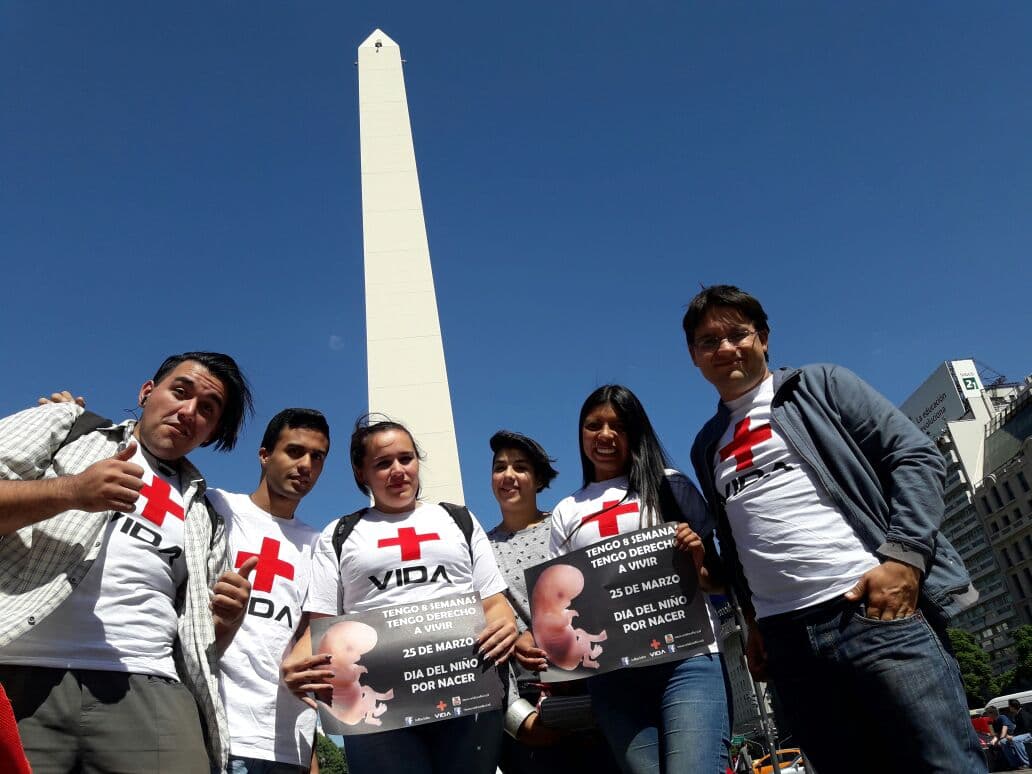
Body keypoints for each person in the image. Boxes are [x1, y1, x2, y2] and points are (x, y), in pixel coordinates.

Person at [683, 285, 986, 773]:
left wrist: (905, 557)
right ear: (694, 356)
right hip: (788, 643)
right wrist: (754, 623)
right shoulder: (706, 445)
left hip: (872, 611)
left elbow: (914, 455)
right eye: (707, 341)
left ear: (762, 338)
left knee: (943, 764)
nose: (724, 348)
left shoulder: (820, 385)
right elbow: (737, 545)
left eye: (737, 333)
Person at [0, 351, 256, 772]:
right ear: (146, 392)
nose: (188, 411)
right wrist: (71, 491)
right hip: (21, 674)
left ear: (210, 433)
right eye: (180, 391)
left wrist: (225, 622)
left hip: (151, 687)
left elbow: (198, 640)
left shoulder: (205, 516)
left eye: (207, 410)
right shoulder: (68, 427)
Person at [282, 415, 518, 774]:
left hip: (468, 692)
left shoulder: (458, 519)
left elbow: (494, 603)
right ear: (361, 473)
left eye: (406, 459)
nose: (397, 471)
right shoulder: (341, 533)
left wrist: (504, 624)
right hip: (377, 709)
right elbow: (321, 625)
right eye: (382, 463)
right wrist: (298, 665)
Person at [546, 385, 731, 774]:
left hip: (687, 660)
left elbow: (717, 581)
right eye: (593, 425)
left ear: (636, 431)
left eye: (618, 425)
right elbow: (560, 601)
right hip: (615, 678)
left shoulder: (670, 485)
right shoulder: (566, 511)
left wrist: (697, 560)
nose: (605, 435)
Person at [485, 430, 619, 774]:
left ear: (539, 478)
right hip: (527, 700)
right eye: (499, 467)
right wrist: (518, 720)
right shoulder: (478, 550)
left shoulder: (568, 531)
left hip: (592, 688)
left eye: (520, 467)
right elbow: (484, 642)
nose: (508, 476)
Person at [211, 408, 331, 774]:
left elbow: (312, 634)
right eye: (294, 451)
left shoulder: (320, 545)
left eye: (317, 457)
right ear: (264, 455)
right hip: (215, 727)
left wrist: (311, 754)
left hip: (286, 741)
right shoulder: (216, 507)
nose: (306, 464)